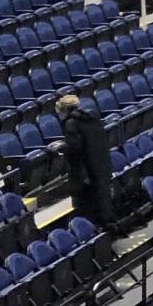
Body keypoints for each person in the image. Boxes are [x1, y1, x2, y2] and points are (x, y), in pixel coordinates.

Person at [53, 94, 116, 228]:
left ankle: (94, 231)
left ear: (65, 110)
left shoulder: (71, 123)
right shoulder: (92, 116)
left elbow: (75, 148)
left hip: (85, 171)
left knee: (86, 205)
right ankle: (108, 225)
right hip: (102, 163)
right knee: (103, 198)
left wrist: (61, 147)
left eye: (59, 112)